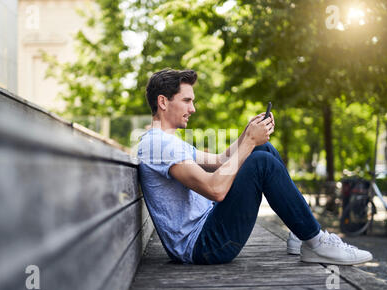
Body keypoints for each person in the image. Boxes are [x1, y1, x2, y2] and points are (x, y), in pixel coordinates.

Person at [137, 68, 372, 265]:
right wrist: (249, 142)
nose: (193, 109)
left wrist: (247, 135)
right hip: (204, 246)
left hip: (209, 230)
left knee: (263, 150)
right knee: (260, 161)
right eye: (187, 100)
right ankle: (316, 243)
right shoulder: (158, 145)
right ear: (163, 102)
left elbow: (220, 161)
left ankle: (301, 235)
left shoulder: (167, 142)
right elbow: (215, 190)